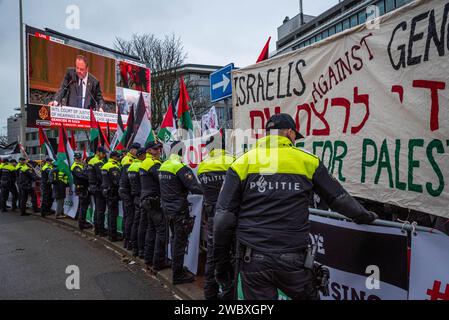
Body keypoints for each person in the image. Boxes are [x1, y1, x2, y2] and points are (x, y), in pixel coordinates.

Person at [213, 113, 378, 300]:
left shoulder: (242, 162)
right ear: (290, 133)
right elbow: (338, 199)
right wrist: (365, 216)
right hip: (294, 261)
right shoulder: (308, 160)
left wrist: (221, 264)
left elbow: (223, 219)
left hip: (253, 261)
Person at [159, 141, 203, 285]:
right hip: (178, 210)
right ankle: (177, 274)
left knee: (174, 240)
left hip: (167, 209)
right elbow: (195, 187)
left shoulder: (163, 165)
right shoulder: (180, 167)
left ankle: (176, 268)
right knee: (179, 242)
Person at [197, 135, 235, 300]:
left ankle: (210, 294)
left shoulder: (202, 166)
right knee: (233, 256)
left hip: (213, 218)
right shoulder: (233, 161)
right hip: (231, 218)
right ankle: (228, 296)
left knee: (212, 256)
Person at [140, 141, 169, 271]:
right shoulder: (153, 163)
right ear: (149, 151)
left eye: (159, 149)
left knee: (151, 229)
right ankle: (159, 262)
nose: (158, 151)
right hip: (154, 201)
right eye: (156, 149)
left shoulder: (144, 162)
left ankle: (148, 258)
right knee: (161, 230)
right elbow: (162, 180)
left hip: (147, 201)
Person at [119, 142, 141, 250]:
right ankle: (128, 241)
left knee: (128, 216)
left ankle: (126, 239)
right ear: (132, 150)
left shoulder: (129, 159)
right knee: (130, 217)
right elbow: (129, 179)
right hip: (127, 191)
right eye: (137, 150)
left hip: (125, 191)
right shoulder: (128, 160)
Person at [128, 148, 146, 257]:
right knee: (141, 224)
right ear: (142, 155)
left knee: (136, 223)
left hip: (135, 196)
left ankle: (134, 247)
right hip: (140, 196)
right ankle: (140, 249)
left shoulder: (131, 166)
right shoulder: (141, 166)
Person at [101, 151, 122, 242]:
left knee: (110, 213)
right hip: (113, 192)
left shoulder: (105, 165)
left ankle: (110, 233)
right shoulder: (113, 166)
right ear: (113, 157)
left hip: (106, 191)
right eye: (117, 156)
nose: (119, 158)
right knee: (113, 214)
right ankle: (113, 235)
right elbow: (116, 181)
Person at [88, 147, 108, 236]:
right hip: (98, 188)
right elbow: (101, 177)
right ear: (98, 152)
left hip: (93, 187)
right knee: (100, 210)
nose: (104, 155)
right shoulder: (97, 162)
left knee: (97, 209)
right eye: (103, 153)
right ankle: (101, 231)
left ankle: (96, 229)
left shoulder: (91, 160)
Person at [71, 153, 92, 230]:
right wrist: (89, 175)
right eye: (77, 158)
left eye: (80, 158)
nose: (79, 159)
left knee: (83, 206)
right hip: (81, 188)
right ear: (75, 159)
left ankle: (83, 221)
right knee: (83, 207)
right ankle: (82, 224)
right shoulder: (75, 166)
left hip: (84, 188)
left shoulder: (81, 165)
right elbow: (82, 176)